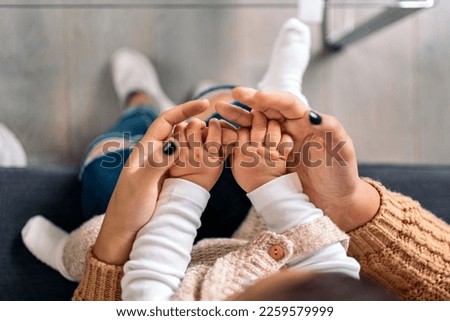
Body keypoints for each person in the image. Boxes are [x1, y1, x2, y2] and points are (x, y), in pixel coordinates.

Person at [22, 18, 450, 300]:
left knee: (107, 177)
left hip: (175, 267)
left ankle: (139, 100)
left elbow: (146, 288)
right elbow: (328, 260)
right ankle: (266, 93)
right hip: (261, 230)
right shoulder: (330, 286)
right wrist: (273, 187)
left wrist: (184, 190)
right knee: (252, 122)